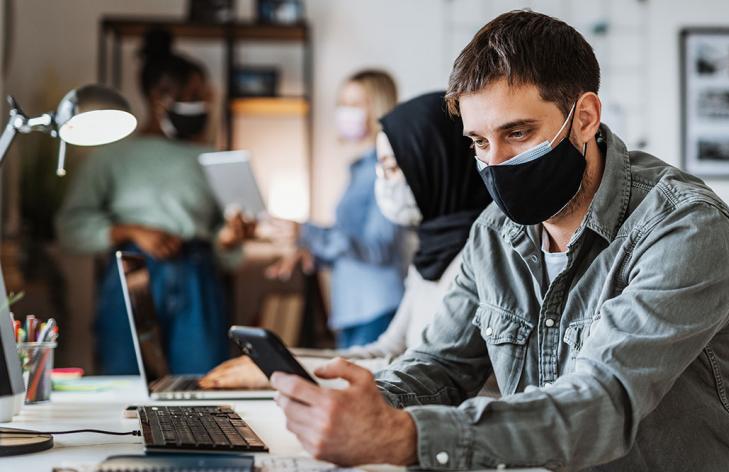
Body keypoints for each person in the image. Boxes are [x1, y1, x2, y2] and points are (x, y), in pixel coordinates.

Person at [265, 11, 729, 471]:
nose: (494, 163)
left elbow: (600, 405)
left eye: (517, 133)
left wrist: (404, 436)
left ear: (584, 117)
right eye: (478, 141)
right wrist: (363, 404)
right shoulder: (495, 232)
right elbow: (440, 366)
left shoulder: (684, 228)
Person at [198, 91, 492, 390]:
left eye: (391, 169)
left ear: (433, 164)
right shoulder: (430, 255)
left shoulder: (480, 256)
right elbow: (387, 349)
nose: (384, 184)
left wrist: (279, 372)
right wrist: (280, 361)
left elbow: (421, 372)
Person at [56, 29, 252, 375]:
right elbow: (71, 226)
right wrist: (131, 230)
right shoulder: (112, 157)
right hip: (132, 274)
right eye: (194, 96)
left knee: (202, 384)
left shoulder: (211, 158)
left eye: (204, 97)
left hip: (198, 275)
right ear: (159, 96)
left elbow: (227, 243)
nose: (203, 105)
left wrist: (229, 239)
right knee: (125, 381)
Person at [266, 70, 411, 349]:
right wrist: (311, 249)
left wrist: (307, 232)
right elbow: (349, 242)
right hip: (352, 309)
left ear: (378, 107)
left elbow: (379, 247)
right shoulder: (359, 169)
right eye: (343, 103)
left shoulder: (385, 168)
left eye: (355, 104)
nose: (345, 112)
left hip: (376, 307)